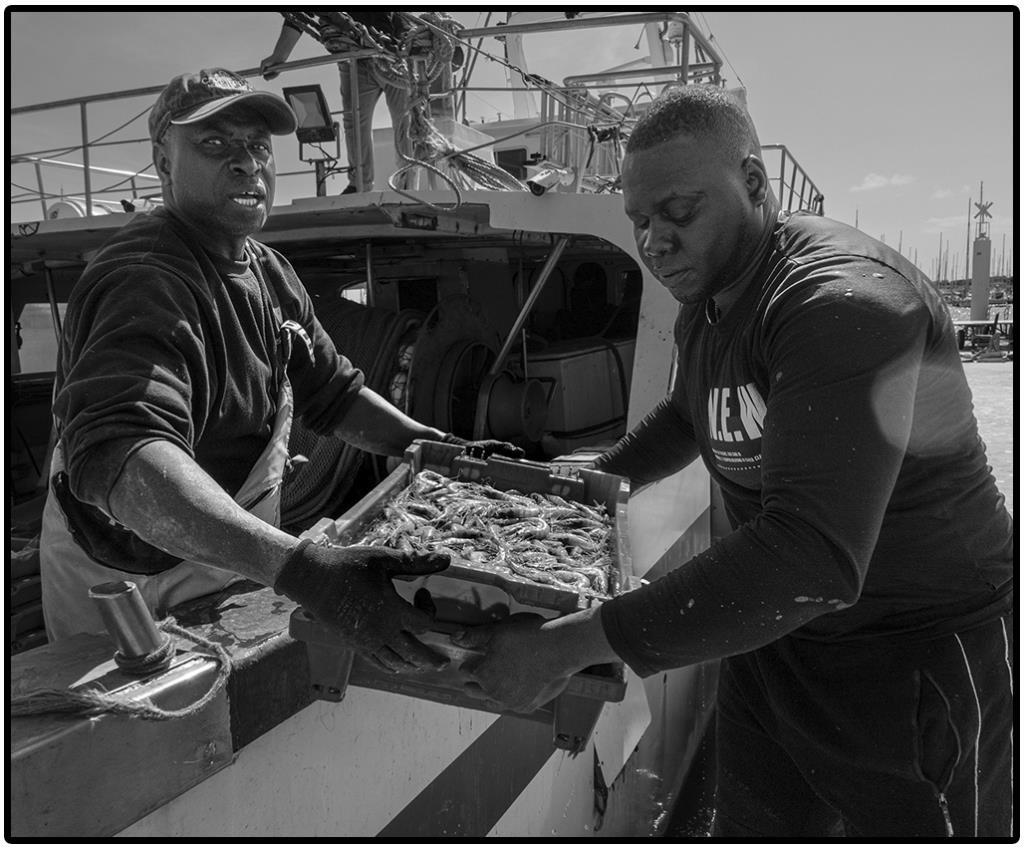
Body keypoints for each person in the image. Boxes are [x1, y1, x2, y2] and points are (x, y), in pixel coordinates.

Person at [452, 85, 1014, 837]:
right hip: (775, 645)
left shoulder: (839, 304)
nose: (653, 242)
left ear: (754, 184)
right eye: (639, 222)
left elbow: (812, 556)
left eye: (678, 214)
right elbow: (692, 410)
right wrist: (596, 478)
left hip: (911, 660)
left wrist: (566, 645)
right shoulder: (710, 301)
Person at [39, 68, 520, 674]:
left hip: (233, 552)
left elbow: (334, 396)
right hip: (125, 575)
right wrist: (304, 572)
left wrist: (436, 447)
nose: (246, 163)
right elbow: (122, 456)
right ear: (163, 162)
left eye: (258, 146)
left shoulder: (266, 272)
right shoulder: (146, 277)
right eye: (214, 144)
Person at [260, 12, 460, 194]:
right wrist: (280, 57)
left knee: (405, 119)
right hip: (353, 57)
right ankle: (359, 184)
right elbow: (299, 14)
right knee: (354, 121)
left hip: (394, 53)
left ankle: (409, 182)